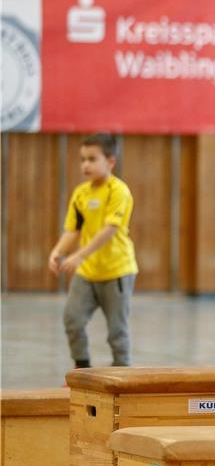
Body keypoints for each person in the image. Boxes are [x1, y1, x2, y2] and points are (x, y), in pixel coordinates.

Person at [49, 133, 138, 370]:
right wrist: (57, 251)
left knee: (117, 331)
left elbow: (109, 230)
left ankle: (122, 375)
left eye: (91, 159)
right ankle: (82, 371)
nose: (85, 165)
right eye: (82, 159)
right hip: (88, 273)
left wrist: (78, 256)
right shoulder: (80, 194)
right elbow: (73, 230)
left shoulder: (119, 191)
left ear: (110, 161)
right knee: (72, 320)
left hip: (117, 271)